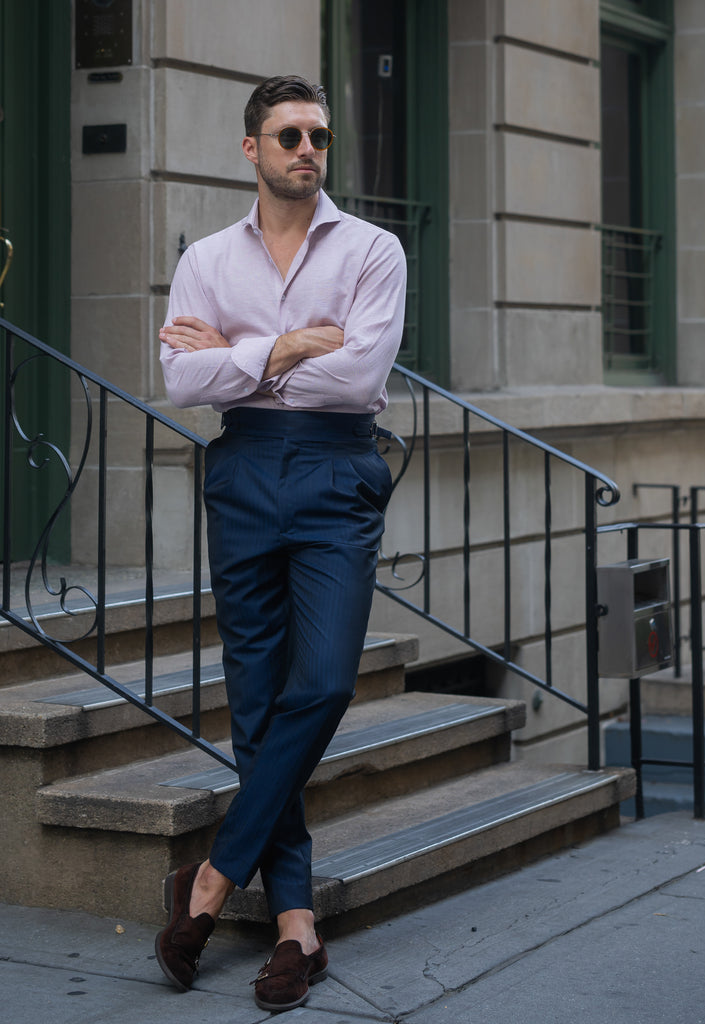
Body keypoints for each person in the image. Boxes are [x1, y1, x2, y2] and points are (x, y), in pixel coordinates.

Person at [154, 74, 406, 1013]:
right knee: (257, 701)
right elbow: (181, 382)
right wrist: (292, 346)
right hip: (244, 473)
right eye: (288, 134)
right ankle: (297, 924)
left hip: (338, 474)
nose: (308, 148)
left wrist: (242, 362)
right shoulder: (209, 258)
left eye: (319, 135)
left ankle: (210, 881)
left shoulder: (374, 249)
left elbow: (358, 380)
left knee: (326, 680)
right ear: (251, 150)